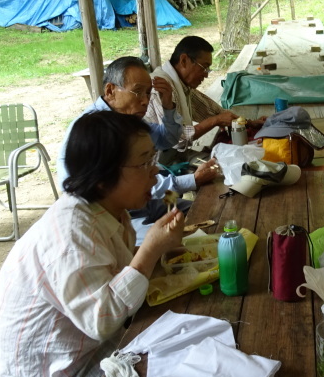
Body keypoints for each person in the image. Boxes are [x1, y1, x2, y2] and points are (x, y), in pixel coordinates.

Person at [0, 111, 185, 377]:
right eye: (144, 162)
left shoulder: (107, 210)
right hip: (60, 376)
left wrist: (160, 251)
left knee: (182, 337)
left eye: (153, 157)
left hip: (88, 348)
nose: (155, 171)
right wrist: (150, 251)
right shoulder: (71, 234)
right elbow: (101, 320)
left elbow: (115, 272)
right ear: (103, 178)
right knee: (179, 370)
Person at [57, 57, 219, 241]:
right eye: (137, 92)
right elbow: (128, 185)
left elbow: (168, 139)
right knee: (177, 237)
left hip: (144, 202)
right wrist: (192, 180)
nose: (145, 101)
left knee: (199, 211)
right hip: (114, 215)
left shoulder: (127, 120)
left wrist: (168, 107)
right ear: (110, 90)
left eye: (149, 93)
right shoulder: (95, 132)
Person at [144, 36, 261, 163]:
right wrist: (214, 121)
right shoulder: (161, 88)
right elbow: (178, 140)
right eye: (204, 67)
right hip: (156, 164)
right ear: (184, 60)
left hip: (173, 155)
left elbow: (212, 110)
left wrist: (246, 122)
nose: (206, 74)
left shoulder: (181, 85)